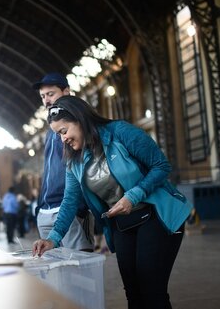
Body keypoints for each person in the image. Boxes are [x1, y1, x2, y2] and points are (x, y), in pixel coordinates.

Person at [32, 96, 193, 309]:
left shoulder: (120, 132)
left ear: (80, 119)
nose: (63, 139)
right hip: (122, 223)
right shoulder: (73, 159)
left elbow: (161, 166)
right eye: (58, 135)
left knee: (152, 290)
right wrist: (53, 238)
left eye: (64, 131)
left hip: (156, 215)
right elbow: (70, 200)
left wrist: (133, 196)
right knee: (133, 292)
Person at [32, 73, 95, 251]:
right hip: (45, 210)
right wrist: (39, 208)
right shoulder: (50, 131)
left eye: (51, 94)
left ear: (66, 91)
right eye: (43, 96)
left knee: (81, 272)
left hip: (71, 210)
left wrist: (81, 206)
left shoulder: (81, 123)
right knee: (53, 274)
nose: (46, 100)